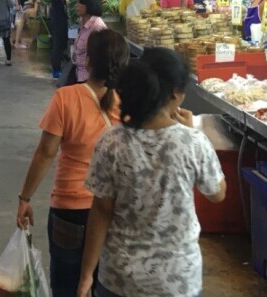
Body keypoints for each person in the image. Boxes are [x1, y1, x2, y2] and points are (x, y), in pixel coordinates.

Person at [77, 48, 225, 297]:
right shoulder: (193, 142)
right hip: (177, 281)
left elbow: (101, 211)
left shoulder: (111, 141)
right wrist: (191, 131)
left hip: (119, 278)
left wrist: (86, 274)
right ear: (175, 94)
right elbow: (217, 193)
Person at [16, 31, 129, 297]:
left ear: (88, 61)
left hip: (70, 208)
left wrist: (25, 198)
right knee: (106, 285)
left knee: (66, 286)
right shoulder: (130, 105)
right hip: (114, 209)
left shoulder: (66, 98)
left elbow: (45, 153)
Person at [70, 0, 107, 85]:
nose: (76, 6)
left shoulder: (97, 27)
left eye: (79, 2)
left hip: (89, 79)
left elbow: (100, 57)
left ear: (88, 4)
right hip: (79, 74)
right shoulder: (83, 22)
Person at [49, 0, 71, 80]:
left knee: (62, 44)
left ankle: (59, 67)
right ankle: (56, 70)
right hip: (57, 22)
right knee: (57, 46)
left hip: (62, 21)